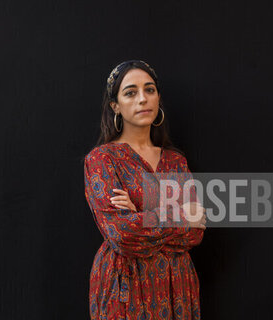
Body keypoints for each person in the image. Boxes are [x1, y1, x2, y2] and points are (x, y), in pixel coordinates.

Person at [84, 60, 207, 319]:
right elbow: (122, 234)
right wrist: (179, 214)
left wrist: (139, 214)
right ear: (115, 106)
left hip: (177, 284)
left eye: (149, 90)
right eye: (130, 92)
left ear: (158, 98)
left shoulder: (175, 161)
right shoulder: (102, 159)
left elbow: (195, 233)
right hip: (126, 285)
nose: (143, 98)